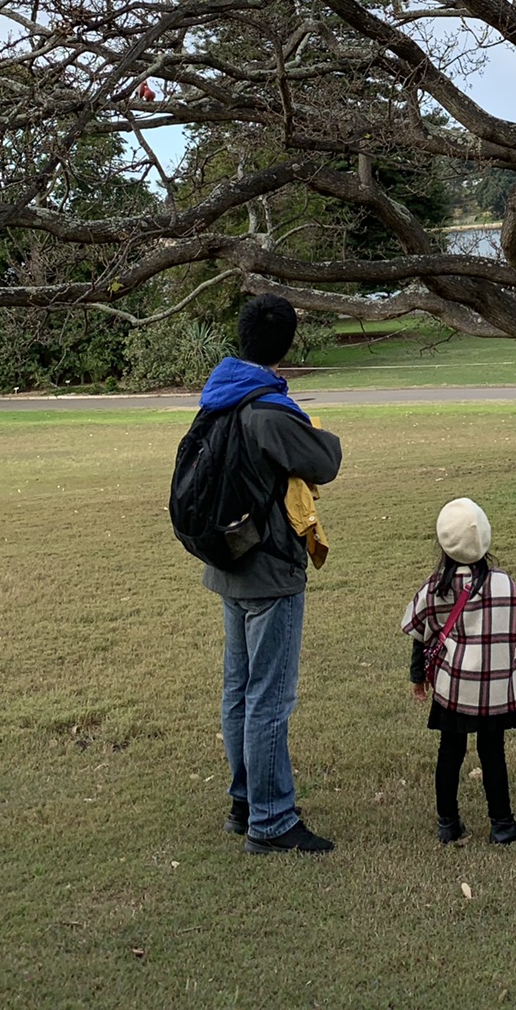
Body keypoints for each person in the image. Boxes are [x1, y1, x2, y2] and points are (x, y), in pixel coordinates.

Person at [198, 293, 342, 855]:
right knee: (268, 697)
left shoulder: (218, 397)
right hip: (269, 571)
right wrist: (319, 431)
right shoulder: (269, 410)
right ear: (285, 345)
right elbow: (325, 461)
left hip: (227, 562)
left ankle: (245, 802)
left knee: (238, 690)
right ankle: (272, 819)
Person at [401, 497, 516, 846]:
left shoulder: (435, 589)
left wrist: (418, 680)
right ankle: (502, 825)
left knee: (450, 751)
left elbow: (420, 637)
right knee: (493, 752)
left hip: (453, 688)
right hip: (495, 687)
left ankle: (448, 824)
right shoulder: (504, 584)